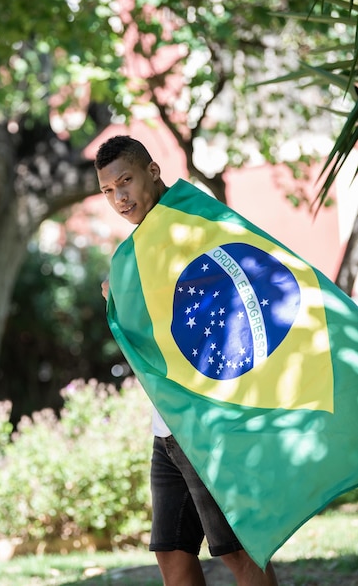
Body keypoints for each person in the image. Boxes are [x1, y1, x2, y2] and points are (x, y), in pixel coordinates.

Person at [95, 135, 279, 586]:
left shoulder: (190, 228)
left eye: (126, 181)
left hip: (202, 424)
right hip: (167, 429)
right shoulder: (136, 254)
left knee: (238, 552)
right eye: (108, 191)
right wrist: (122, 299)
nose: (120, 197)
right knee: (172, 554)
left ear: (153, 172)